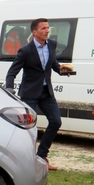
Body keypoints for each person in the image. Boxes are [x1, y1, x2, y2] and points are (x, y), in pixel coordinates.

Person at [5, 18, 73, 171]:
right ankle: (24, 159)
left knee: (56, 121)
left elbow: (52, 64)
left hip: (46, 92)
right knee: (27, 128)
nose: (47, 31)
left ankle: (41, 156)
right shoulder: (25, 51)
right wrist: (9, 89)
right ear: (34, 32)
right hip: (29, 93)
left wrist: (63, 70)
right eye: (43, 28)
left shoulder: (52, 45)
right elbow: (12, 73)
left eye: (48, 28)